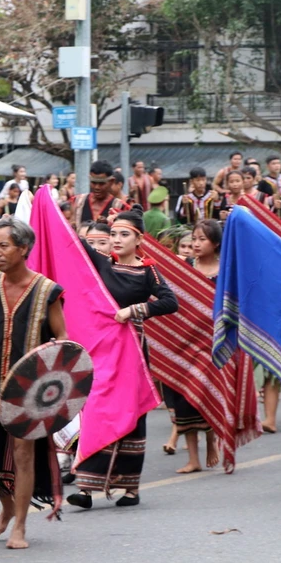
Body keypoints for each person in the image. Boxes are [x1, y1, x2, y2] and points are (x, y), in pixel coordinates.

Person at [0, 218, 67, 549]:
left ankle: (20, 526)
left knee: (23, 455)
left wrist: (55, 373)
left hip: (30, 392)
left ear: (23, 248)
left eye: (3, 246)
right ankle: (7, 507)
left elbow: (63, 338)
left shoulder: (47, 291)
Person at [67, 208, 179, 509]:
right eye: (113, 234)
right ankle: (87, 488)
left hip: (131, 350)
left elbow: (171, 302)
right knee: (96, 406)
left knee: (131, 411)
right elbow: (71, 246)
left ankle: (130, 488)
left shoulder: (147, 271)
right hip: (102, 349)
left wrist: (135, 311)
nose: (116, 240)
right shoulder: (102, 265)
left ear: (139, 239)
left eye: (124, 234)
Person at [170, 220, 221, 474]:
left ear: (216, 244)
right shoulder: (184, 268)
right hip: (186, 341)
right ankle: (193, 458)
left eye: (202, 240)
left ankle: (212, 440)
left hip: (213, 344)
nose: (196, 244)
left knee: (205, 394)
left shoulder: (226, 271)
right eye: (194, 239)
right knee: (184, 398)